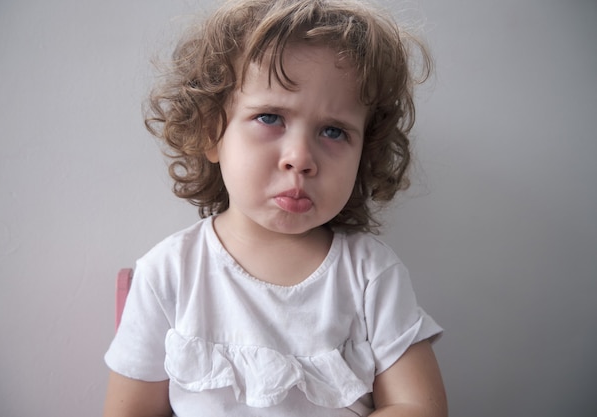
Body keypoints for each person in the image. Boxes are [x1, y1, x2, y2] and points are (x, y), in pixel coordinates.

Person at [103, 0, 447, 416]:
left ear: (364, 153)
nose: (300, 157)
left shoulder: (370, 274)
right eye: (270, 118)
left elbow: (419, 406)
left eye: (334, 131)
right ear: (212, 132)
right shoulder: (169, 274)